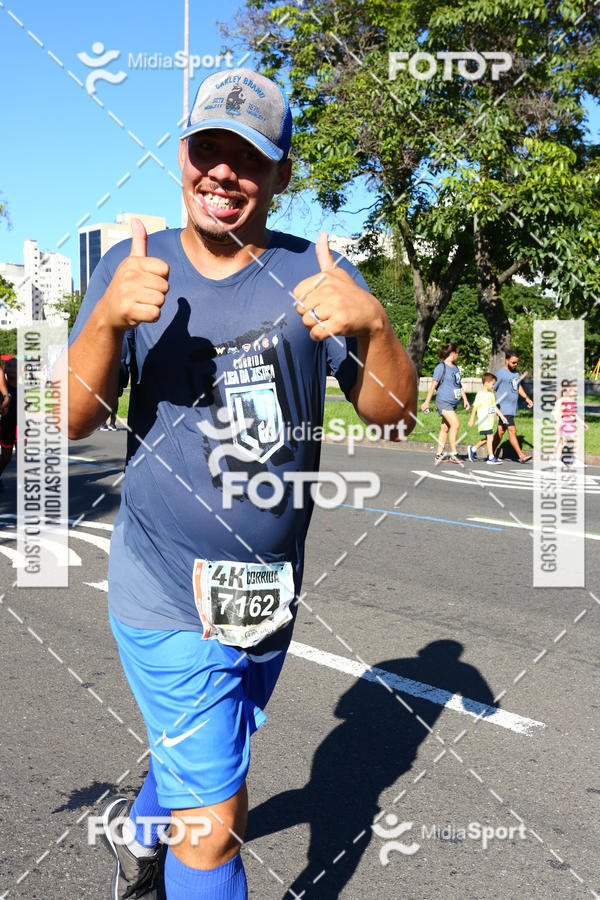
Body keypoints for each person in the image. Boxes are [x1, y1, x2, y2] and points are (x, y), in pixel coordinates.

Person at [66, 68, 417, 900]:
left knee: (213, 752)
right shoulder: (131, 265)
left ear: (281, 173)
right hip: (162, 588)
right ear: (182, 156)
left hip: (267, 591)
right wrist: (110, 319)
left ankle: (138, 842)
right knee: (216, 819)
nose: (223, 172)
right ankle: (172, 858)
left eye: (249, 157)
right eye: (208, 150)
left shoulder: (317, 272)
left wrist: (374, 324)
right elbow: (72, 420)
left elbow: (394, 416)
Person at [420, 342, 469, 463]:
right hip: (443, 401)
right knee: (455, 424)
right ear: (452, 353)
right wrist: (426, 402)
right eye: (457, 353)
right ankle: (454, 454)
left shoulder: (455, 367)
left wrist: (465, 399)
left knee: (445, 428)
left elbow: (458, 384)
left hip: (452, 402)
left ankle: (439, 454)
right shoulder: (440, 367)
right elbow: (433, 385)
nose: (458, 355)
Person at [492, 350, 533, 463]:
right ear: (506, 360)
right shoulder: (500, 373)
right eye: (513, 362)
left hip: (512, 408)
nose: (515, 365)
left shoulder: (515, 373)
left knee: (500, 432)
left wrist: (526, 398)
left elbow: (517, 386)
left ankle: (490, 454)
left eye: (516, 363)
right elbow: (491, 388)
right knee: (512, 430)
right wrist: (491, 404)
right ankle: (521, 455)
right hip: (503, 408)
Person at [467, 373, 508, 464]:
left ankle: (473, 449)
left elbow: (494, 406)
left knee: (488, 438)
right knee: (490, 437)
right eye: (492, 384)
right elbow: (475, 407)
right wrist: (471, 419)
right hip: (483, 420)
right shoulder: (480, 394)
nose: (493, 386)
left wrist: (502, 416)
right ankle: (491, 457)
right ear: (486, 383)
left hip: (490, 421)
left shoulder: (491, 394)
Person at [0, 357, 17, 490]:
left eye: (14, 366)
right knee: (6, 458)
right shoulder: (3, 388)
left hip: (18, 426)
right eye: (8, 365)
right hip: (5, 425)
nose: (10, 367)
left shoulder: (22, 388)